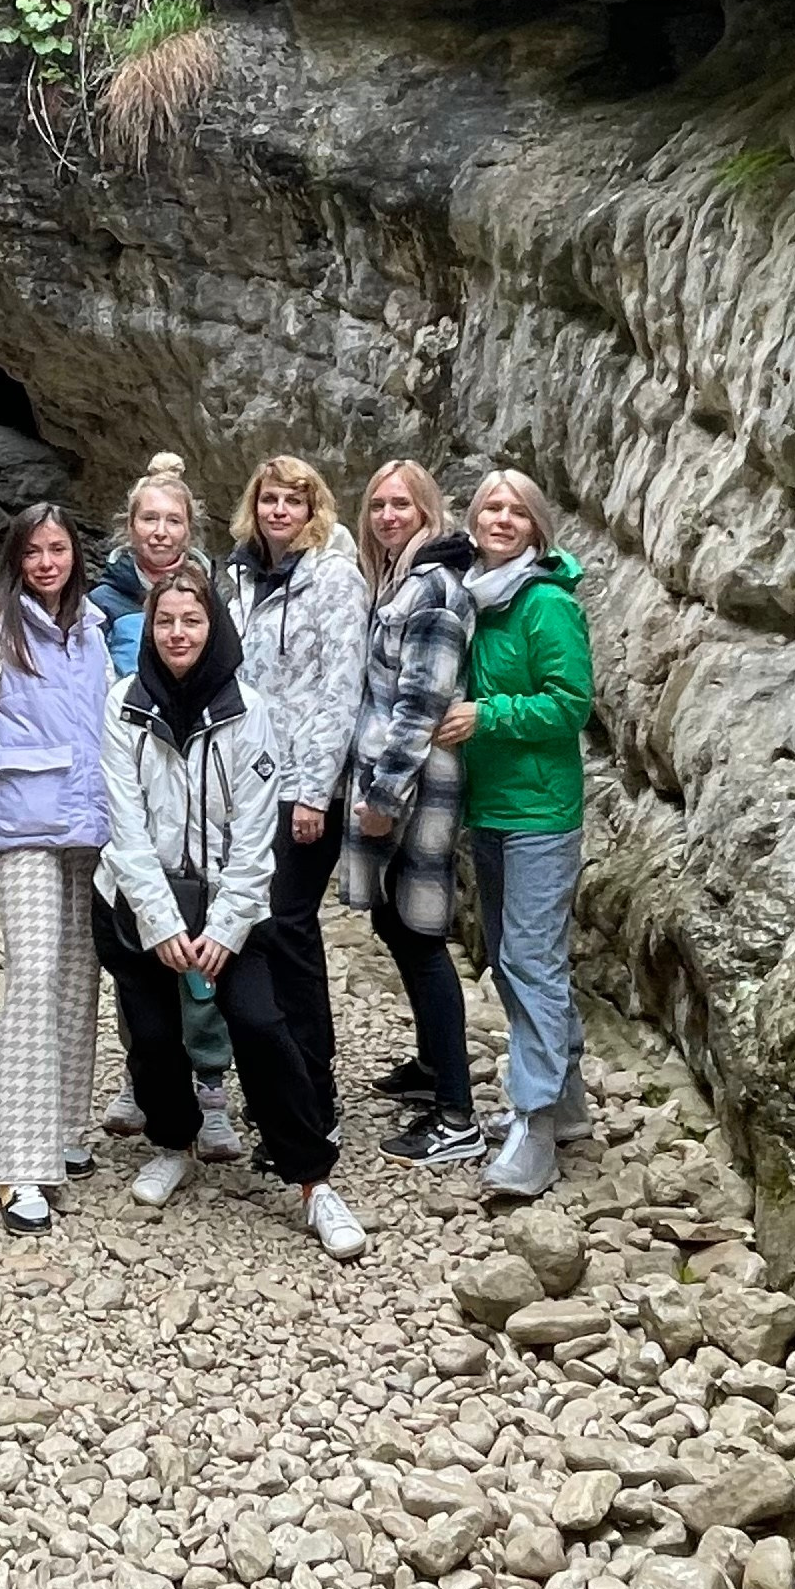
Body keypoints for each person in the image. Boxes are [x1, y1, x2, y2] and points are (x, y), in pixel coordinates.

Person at [100, 561, 366, 1259]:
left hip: (230, 906)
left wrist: (224, 927)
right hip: (141, 900)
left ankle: (313, 1180)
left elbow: (256, 834)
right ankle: (174, 1140)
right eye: (165, 621)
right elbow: (123, 826)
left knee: (260, 1023)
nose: (178, 633)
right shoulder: (124, 703)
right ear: (149, 628)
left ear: (213, 625)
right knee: (153, 1036)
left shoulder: (249, 710)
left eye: (192, 620)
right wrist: (160, 924)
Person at [0, 502, 110, 1234]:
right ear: (14, 558)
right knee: (35, 974)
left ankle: (67, 1132)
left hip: (91, 821)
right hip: (25, 822)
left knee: (79, 976)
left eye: (58, 549)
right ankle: (19, 1162)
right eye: (34, 552)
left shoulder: (95, 631)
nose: (48, 562)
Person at [436, 468, 595, 1201]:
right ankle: (565, 1105)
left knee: (528, 960)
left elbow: (571, 704)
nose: (501, 519)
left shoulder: (544, 604)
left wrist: (487, 715)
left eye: (516, 511)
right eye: (489, 508)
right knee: (514, 957)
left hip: (540, 811)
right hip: (493, 807)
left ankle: (531, 1128)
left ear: (536, 526)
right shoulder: (477, 600)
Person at [92, 451, 241, 1159]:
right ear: (130, 526)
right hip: (131, 775)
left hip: (202, 779)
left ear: (191, 525)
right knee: (139, 942)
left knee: (203, 947)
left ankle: (211, 1085)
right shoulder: (101, 601)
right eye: (148, 518)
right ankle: (145, 1073)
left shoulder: (214, 597)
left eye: (172, 518)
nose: (160, 530)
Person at [341, 459, 483, 1166]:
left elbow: (421, 704)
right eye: (377, 506)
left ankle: (457, 1115)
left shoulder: (430, 588)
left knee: (421, 934)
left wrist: (381, 797)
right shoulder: (400, 579)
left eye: (402, 504)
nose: (388, 516)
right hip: (401, 780)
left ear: (429, 509)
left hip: (413, 785)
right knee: (395, 921)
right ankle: (432, 1070)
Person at [223, 454, 367, 1139]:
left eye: (294, 501)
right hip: (248, 784)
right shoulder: (240, 579)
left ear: (315, 512)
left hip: (304, 786)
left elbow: (341, 688)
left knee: (288, 927)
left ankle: (316, 1091)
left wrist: (315, 791)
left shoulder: (335, 580)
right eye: (270, 499)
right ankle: (273, 1088)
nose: (280, 511)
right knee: (254, 927)